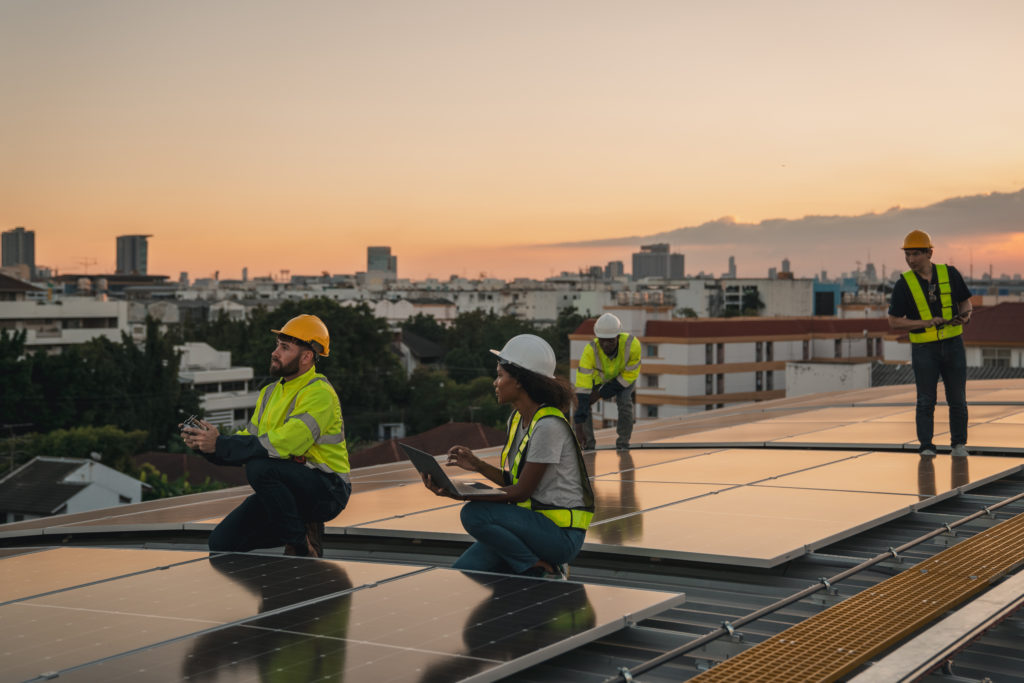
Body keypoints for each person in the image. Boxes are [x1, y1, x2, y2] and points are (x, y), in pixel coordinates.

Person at [421, 334, 595, 577]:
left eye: (501, 375)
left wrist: (460, 495)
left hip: (560, 536)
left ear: (521, 381)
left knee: (474, 513)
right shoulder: (517, 420)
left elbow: (521, 491)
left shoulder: (548, 426)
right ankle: (526, 565)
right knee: (461, 573)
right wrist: (478, 465)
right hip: (527, 528)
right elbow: (514, 482)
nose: (495, 383)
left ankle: (537, 567)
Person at [182, 314, 351, 557]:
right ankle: (300, 529)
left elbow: (284, 443)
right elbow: (248, 440)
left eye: (284, 347)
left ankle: (300, 546)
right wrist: (206, 445)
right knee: (221, 542)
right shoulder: (270, 392)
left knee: (260, 467)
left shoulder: (320, 393)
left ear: (306, 357)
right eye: (277, 346)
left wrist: (222, 444)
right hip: (288, 487)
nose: (275, 352)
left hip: (327, 490)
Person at [888, 230, 973, 458]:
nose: (911, 259)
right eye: (908, 254)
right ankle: (926, 446)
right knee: (926, 400)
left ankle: (958, 445)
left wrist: (965, 316)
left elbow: (966, 303)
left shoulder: (950, 274)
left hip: (953, 345)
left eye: (916, 254)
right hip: (924, 349)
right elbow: (894, 321)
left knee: (958, 398)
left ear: (929, 253)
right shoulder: (904, 284)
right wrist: (926, 322)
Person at [573, 312, 642, 450]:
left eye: (610, 340)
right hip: (600, 378)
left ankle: (623, 443)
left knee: (624, 403)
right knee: (584, 403)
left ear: (618, 336)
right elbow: (582, 386)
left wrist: (600, 394)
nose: (606, 344)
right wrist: (578, 426)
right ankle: (588, 444)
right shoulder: (590, 352)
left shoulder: (632, 345)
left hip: (624, 378)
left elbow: (630, 375)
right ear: (598, 338)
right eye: (602, 340)